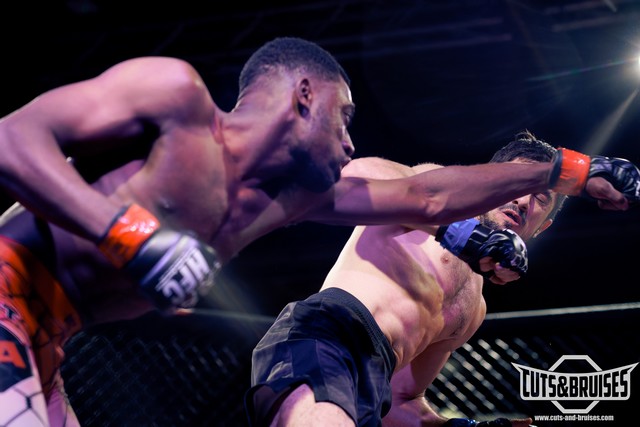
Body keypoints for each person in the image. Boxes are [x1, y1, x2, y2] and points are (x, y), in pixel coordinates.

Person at [0, 34, 636, 427]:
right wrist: (130, 233)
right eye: (345, 115)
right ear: (305, 94)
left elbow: (426, 198)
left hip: (52, 342)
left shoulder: (285, 201)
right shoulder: (177, 97)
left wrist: (576, 171)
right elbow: (12, 138)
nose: (351, 139)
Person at [245, 131, 627, 427]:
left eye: (542, 199)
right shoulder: (434, 192)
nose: (525, 200)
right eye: (517, 184)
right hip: (329, 333)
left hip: (370, 385)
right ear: (491, 180)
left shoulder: (473, 308)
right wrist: (461, 232)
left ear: (541, 228)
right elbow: (353, 175)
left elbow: (401, 401)